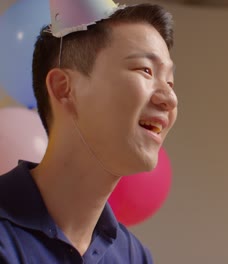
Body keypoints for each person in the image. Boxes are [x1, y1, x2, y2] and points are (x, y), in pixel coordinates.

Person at [0, 2, 178, 263]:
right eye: (145, 70)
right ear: (64, 88)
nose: (170, 98)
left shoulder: (133, 256)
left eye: (170, 81)